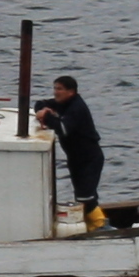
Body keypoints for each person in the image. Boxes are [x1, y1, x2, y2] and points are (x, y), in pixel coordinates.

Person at [38, 74, 103, 223]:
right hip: (75, 158)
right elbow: (40, 103)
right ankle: (90, 222)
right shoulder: (62, 102)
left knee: (85, 196)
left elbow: (63, 128)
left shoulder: (76, 107)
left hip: (89, 158)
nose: (55, 92)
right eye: (55, 88)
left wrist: (46, 116)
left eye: (59, 89)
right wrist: (42, 110)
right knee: (81, 195)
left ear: (71, 92)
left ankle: (99, 224)